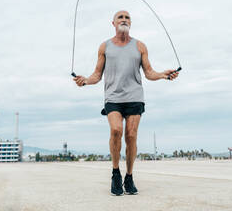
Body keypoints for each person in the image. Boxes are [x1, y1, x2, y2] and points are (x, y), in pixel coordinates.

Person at [73, 10, 179, 196]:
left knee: (131, 136)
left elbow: (149, 72)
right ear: (113, 23)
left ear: (131, 23)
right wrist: (86, 81)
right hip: (113, 97)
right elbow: (97, 74)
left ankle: (129, 176)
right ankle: (116, 174)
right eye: (120, 17)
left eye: (127, 17)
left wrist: (163, 75)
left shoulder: (140, 46)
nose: (124, 20)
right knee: (116, 131)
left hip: (134, 96)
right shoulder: (104, 47)